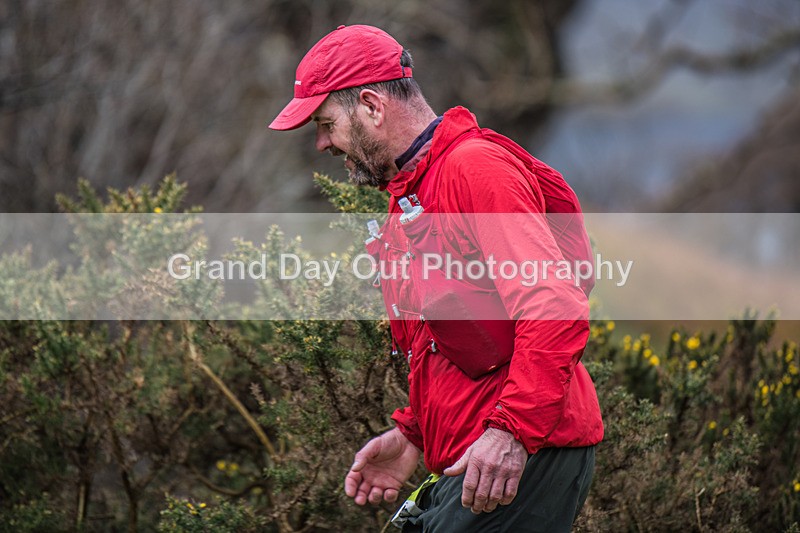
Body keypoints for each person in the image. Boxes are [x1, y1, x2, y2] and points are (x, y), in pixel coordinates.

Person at [269, 24, 603, 532]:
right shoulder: (409, 197)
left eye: (326, 122)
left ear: (372, 106)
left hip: (521, 456)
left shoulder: (475, 170)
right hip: (481, 458)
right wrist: (415, 436)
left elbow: (553, 305)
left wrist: (510, 432)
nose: (321, 144)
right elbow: (451, 340)